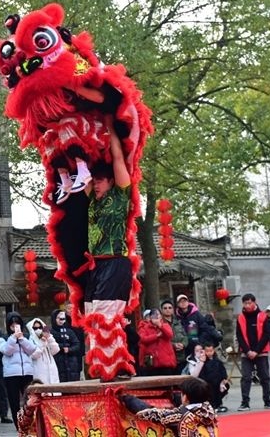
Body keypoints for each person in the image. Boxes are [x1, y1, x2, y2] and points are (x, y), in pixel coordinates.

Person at [82, 124, 136, 381]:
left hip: (116, 263)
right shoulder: (92, 198)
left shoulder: (121, 194)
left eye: (100, 180)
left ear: (111, 180)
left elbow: (117, 157)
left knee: (107, 315)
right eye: (94, 181)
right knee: (92, 315)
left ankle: (112, 368)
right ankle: (104, 367)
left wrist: (112, 128)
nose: (96, 184)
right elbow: (77, 163)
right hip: (95, 267)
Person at [120, 377, 218, 436]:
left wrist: (127, 398)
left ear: (185, 397)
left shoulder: (182, 416)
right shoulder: (209, 409)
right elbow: (188, 404)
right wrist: (172, 396)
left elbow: (152, 413)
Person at [236, 292, 270, 411]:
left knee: (265, 377)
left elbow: (266, 335)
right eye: (245, 303)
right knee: (246, 377)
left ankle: (267, 401)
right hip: (246, 353)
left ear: (254, 302)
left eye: (249, 302)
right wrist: (248, 351)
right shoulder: (240, 317)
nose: (247, 305)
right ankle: (245, 402)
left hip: (261, 352)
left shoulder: (263, 316)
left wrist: (256, 351)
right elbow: (239, 336)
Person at [0, 312, 36, 429]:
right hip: (11, 374)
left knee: (29, 401)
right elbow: (6, 351)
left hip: (27, 373)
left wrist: (22, 339)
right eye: (12, 325)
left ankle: (30, 423)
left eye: (17, 324)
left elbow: (32, 350)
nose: (15, 327)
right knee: (14, 401)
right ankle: (19, 425)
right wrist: (13, 338)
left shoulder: (27, 336)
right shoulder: (3, 338)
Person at [174, 294, 217, 362]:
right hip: (183, 348)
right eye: (180, 301)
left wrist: (199, 342)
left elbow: (204, 329)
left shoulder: (196, 314)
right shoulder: (176, 317)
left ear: (188, 302)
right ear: (178, 304)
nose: (183, 303)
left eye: (184, 301)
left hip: (196, 346)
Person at [193, 342, 230, 414]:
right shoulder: (203, 362)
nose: (209, 353)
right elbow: (201, 374)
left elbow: (223, 371)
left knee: (224, 387)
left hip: (218, 382)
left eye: (211, 351)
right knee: (210, 391)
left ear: (214, 351)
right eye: (207, 351)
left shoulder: (218, 361)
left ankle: (218, 404)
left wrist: (224, 379)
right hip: (208, 383)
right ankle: (212, 405)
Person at [137, 308, 176, 376]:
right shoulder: (145, 328)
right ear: (150, 317)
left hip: (166, 362)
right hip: (152, 363)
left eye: (158, 315)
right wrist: (156, 336)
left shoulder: (165, 325)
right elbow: (142, 339)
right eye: (154, 315)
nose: (157, 317)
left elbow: (170, 335)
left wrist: (160, 326)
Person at [49, 310, 81, 382]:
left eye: (62, 318)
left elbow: (77, 344)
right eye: (58, 318)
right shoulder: (51, 332)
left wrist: (69, 349)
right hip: (58, 360)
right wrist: (61, 347)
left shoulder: (69, 331)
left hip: (71, 362)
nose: (60, 320)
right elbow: (50, 345)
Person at [25, 318, 60, 384]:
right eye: (35, 328)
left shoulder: (47, 337)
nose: (38, 329)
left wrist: (49, 338)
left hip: (51, 367)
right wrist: (42, 343)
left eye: (40, 327)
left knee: (54, 388)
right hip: (39, 368)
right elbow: (34, 355)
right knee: (43, 390)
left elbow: (56, 350)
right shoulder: (31, 340)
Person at [160, 299, 188, 375]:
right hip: (167, 358)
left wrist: (183, 344)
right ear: (161, 310)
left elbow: (185, 335)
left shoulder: (178, 322)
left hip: (181, 356)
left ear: (173, 309)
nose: (167, 310)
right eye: (165, 308)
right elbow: (160, 340)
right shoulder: (160, 324)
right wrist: (173, 345)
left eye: (169, 308)